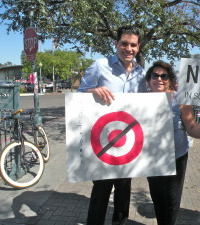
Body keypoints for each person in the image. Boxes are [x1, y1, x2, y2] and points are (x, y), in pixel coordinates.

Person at [77, 26, 147, 225]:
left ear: (138, 47)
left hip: (128, 141)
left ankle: (120, 222)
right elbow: (79, 96)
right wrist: (94, 91)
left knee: (124, 189)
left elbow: (143, 105)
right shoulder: (99, 66)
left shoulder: (141, 73)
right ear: (116, 44)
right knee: (101, 190)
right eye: (124, 43)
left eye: (133, 45)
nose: (128, 48)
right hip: (103, 139)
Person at [145, 60, 200, 225]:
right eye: (155, 75)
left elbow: (192, 128)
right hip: (151, 158)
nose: (159, 79)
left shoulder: (180, 100)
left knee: (171, 199)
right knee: (157, 195)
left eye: (164, 76)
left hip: (176, 157)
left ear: (170, 80)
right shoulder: (140, 100)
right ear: (149, 79)